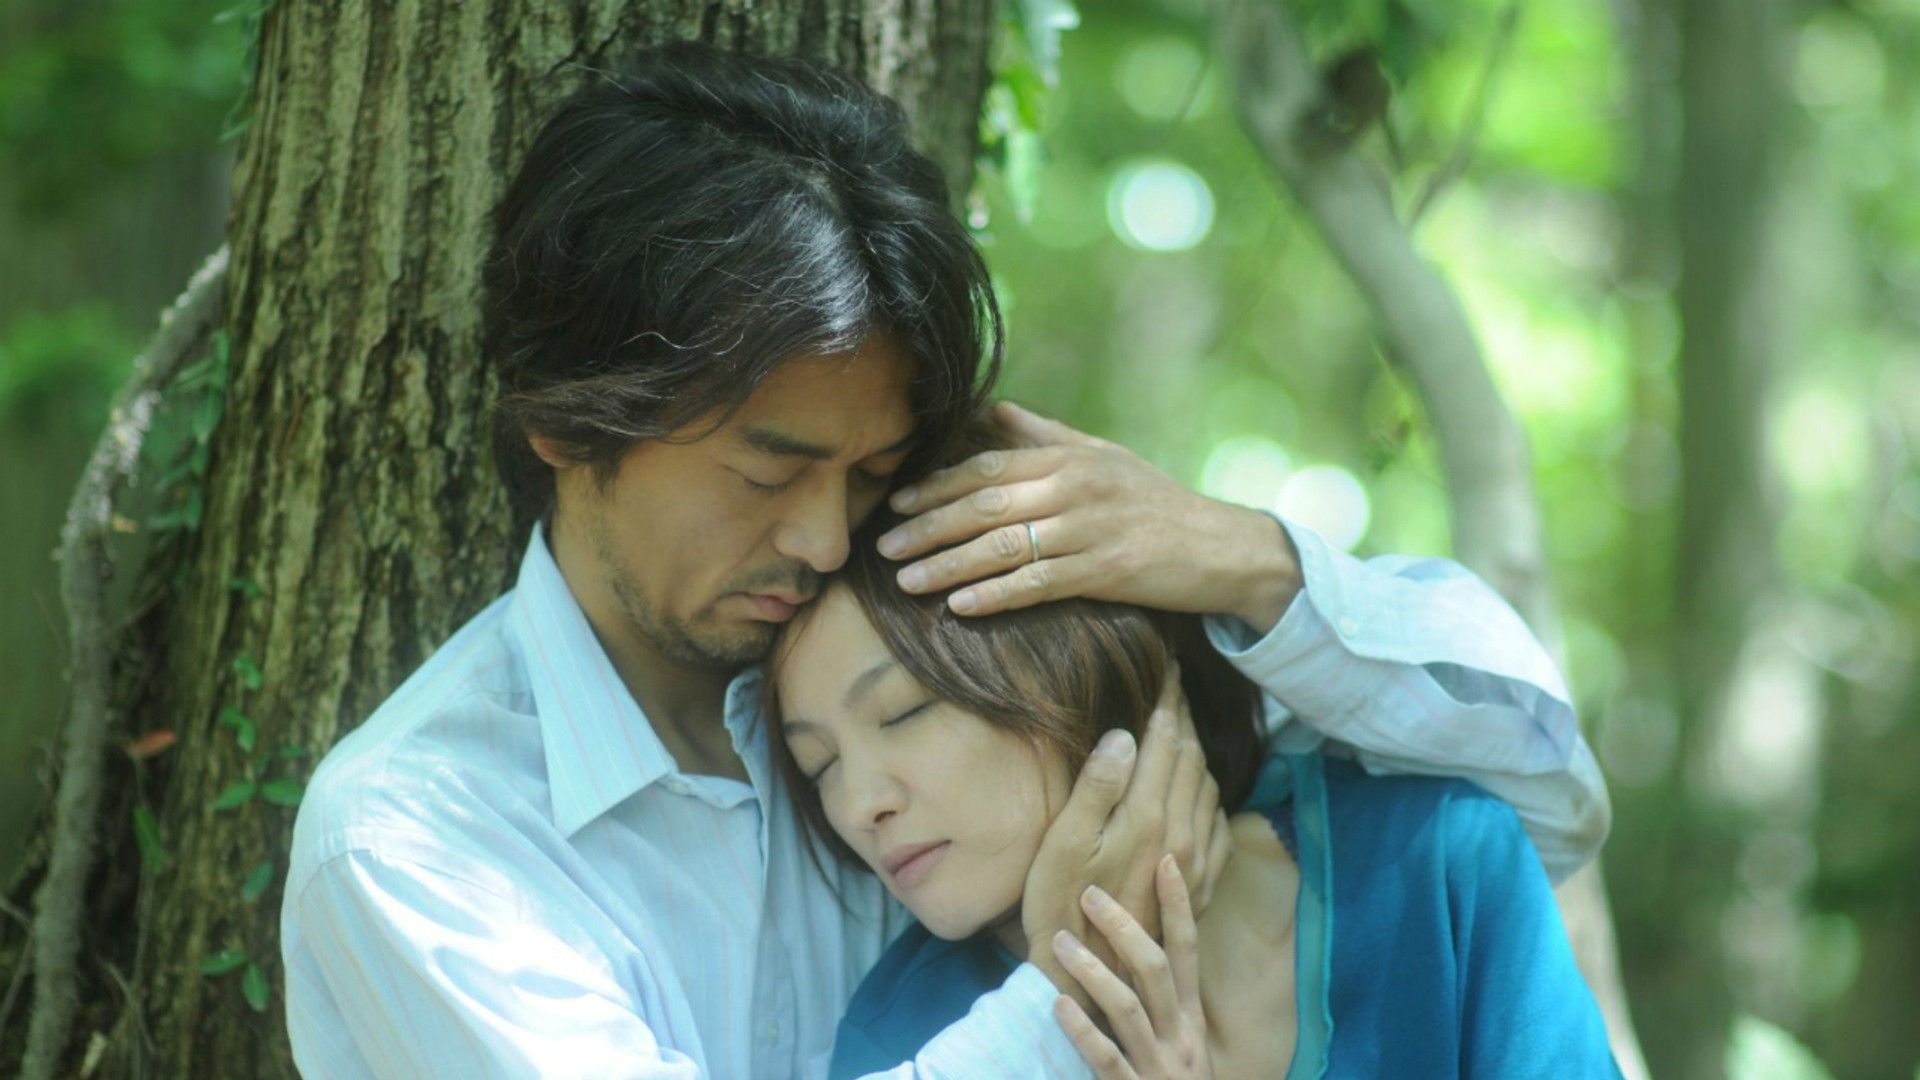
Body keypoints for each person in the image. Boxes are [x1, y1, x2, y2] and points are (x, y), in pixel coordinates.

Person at [281, 41, 1609, 1079]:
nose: (824, 538)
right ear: (569, 425)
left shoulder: (922, 628)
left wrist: (1240, 559)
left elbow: (1530, 785)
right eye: (768, 470)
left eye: (868, 472)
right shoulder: (418, 838)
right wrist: (1079, 983)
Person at [768, 426, 1624, 1078]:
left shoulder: (1438, 868)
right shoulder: (902, 1035)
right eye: (819, 767)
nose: (859, 805)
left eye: (903, 712)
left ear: (1067, 656)